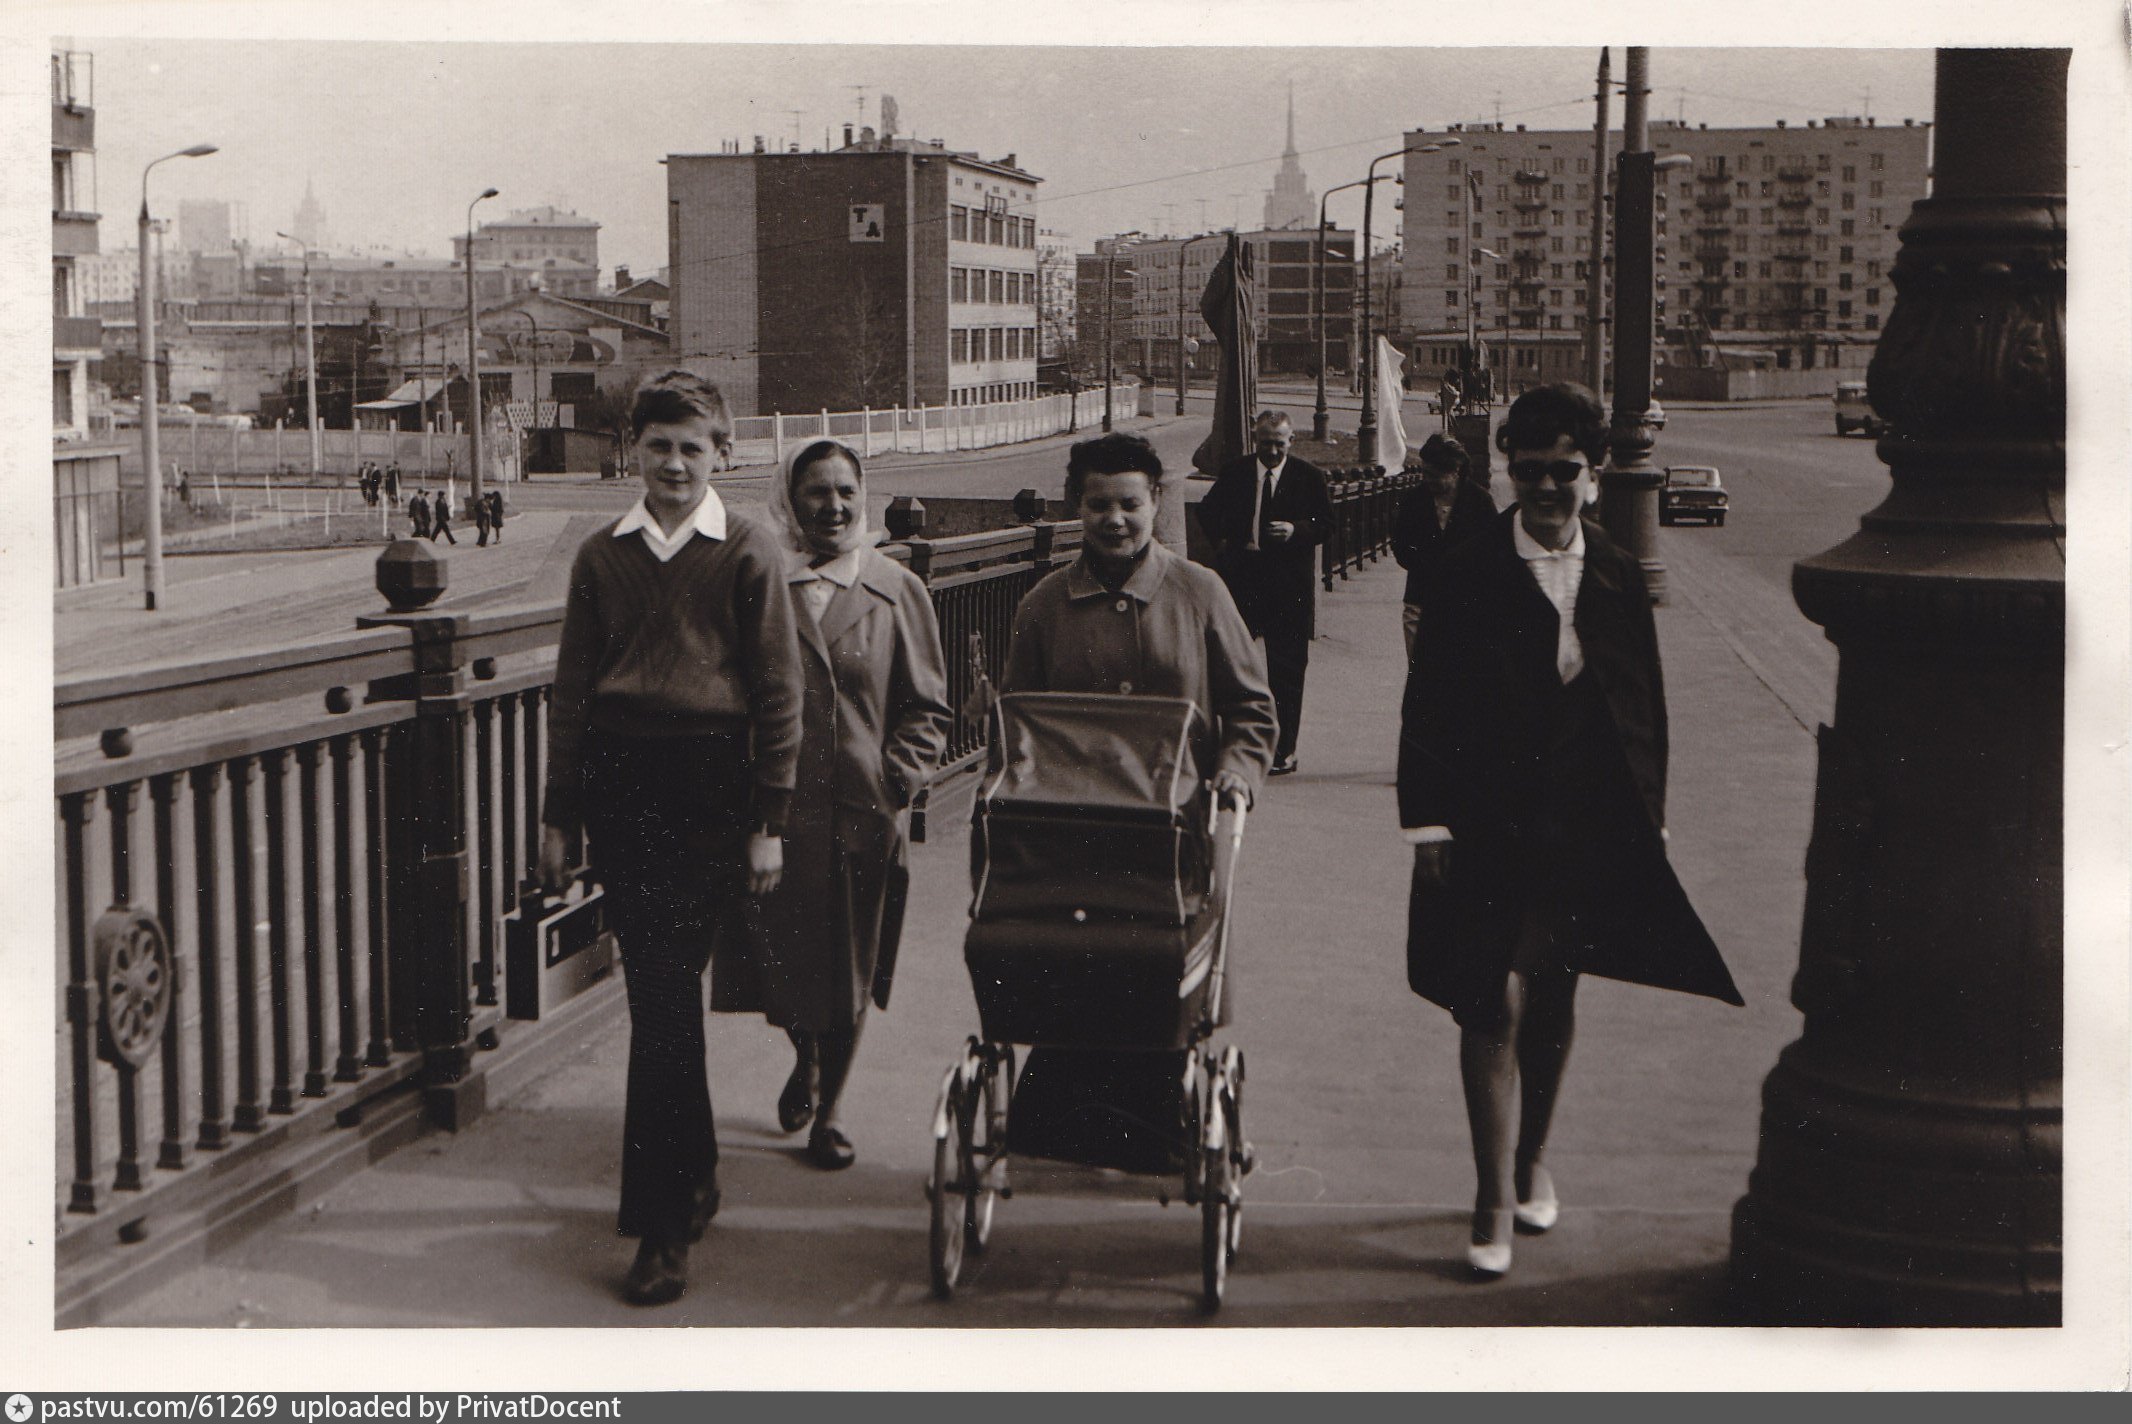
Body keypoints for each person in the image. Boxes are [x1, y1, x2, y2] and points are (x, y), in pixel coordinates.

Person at [1398, 383, 1741, 1281]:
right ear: (1509, 469)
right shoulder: (1467, 566)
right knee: (1488, 995)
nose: (1547, 488)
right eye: (1531, 470)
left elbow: (1644, 705)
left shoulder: (1620, 571)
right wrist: (1428, 823)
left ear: (1592, 477)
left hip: (1587, 815)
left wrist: (1652, 817)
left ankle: (1529, 1163)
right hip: (1484, 818)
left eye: (1566, 472)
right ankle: (1487, 1200)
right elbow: (1428, 703)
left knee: (1552, 993)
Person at [538, 370, 804, 1307]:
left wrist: (769, 820)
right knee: (662, 1005)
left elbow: (779, 694)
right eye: (660, 446)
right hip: (622, 791)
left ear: (723, 455)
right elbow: (571, 694)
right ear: (633, 451)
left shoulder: (748, 550)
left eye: (695, 447)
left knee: (660, 1004)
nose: (676, 464)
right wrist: (559, 814)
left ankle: (660, 1229)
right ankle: (684, 1184)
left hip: (709, 794)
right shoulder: (598, 555)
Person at [998, 432, 1278, 1168]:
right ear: (1075, 509)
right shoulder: (1043, 605)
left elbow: (1252, 709)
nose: (1114, 520)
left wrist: (1239, 772)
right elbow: (1015, 718)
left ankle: (1157, 1127)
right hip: (1071, 829)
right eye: (1098, 505)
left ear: (1156, 503)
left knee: (1162, 968)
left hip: (1176, 828)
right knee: (1072, 965)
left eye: (1129, 503)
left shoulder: (1200, 593)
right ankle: (1065, 1123)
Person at [726, 439, 950, 1171]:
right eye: (816, 492)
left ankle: (831, 1111)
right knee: (779, 965)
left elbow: (927, 708)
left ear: (865, 494)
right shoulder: (759, 583)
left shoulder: (895, 588)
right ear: (789, 500)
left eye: (846, 491)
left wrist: (896, 778)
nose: (834, 506)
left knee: (850, 969)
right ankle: (805, 1057)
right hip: (777, 817)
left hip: (862, 813)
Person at [1195, 409, 1332, 776]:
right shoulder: (1237, 472)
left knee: (1286, 671)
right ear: (1256, 440)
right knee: (1230, 665)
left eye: (1279, 443)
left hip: (1288, 587)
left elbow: (1327, 523)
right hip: (1244, 581)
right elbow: (1208, 511)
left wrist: (1296, 530)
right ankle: (1230, 744)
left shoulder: (1308, 477)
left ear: (1291, 441)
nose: (1272, 451)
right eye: (1265, 443)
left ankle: (1284, 750)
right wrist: (1224, 545)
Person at [1391, 434, 1496, 661]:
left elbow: (1493, 549)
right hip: (1420, 601)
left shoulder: (1479, 502)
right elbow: (1399, 543)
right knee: (1421, 674)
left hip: (1465, 604)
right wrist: (1424, 564)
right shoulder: (1414, 500)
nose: (1427, 480)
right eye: (1424, 473)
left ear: (1455, 471)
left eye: (1434, 475)